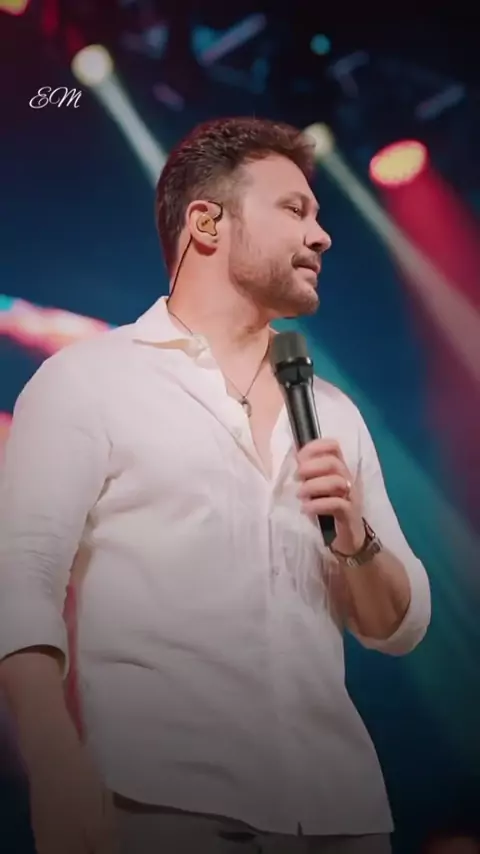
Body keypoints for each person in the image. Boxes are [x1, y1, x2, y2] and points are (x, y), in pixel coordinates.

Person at [0, 116, 431, 854]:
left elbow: (399, 628)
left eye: (319, 215)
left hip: (345, 813)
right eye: (294, 210)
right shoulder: (88, 379)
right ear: (207, 223)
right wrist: (54, 764)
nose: (323, 236)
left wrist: (358, 541)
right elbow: (21, 581)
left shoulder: (333, 411)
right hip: (162, 804)